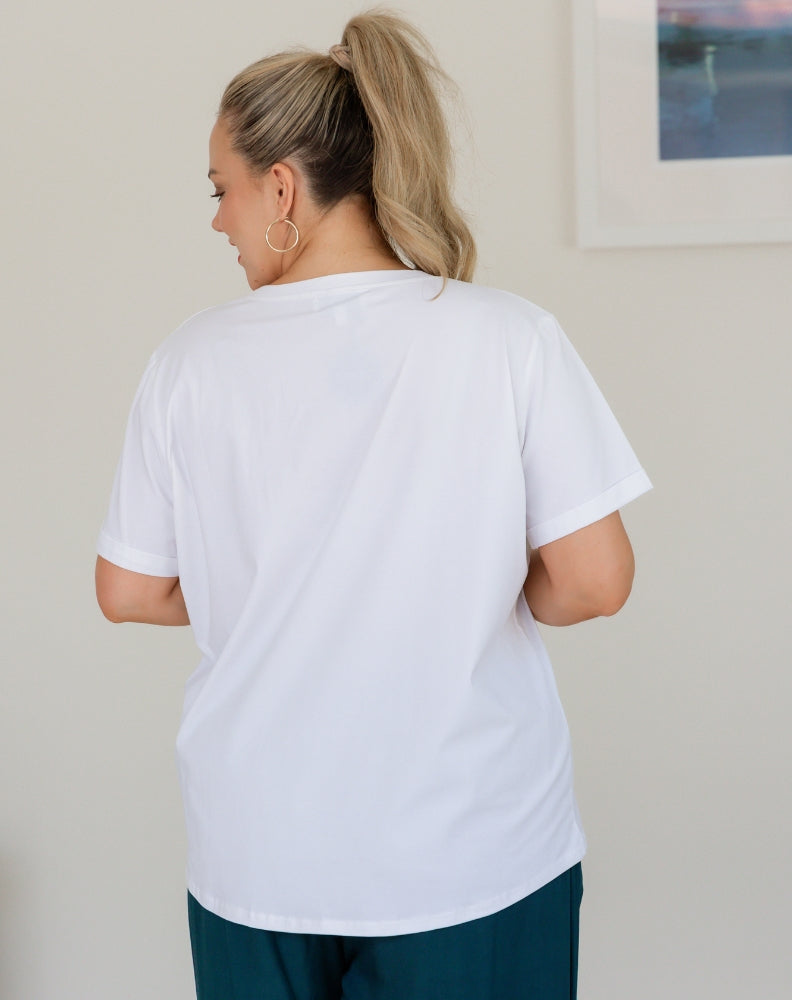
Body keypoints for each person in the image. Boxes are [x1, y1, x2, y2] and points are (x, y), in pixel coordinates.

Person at [95, 9, 651, 999]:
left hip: (259, 858)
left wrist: (270, 585)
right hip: (470, 852)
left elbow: (131, 588)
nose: (216, 218)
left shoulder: (190, 362)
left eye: (220, 189)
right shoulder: (505, 337)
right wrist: (468, 577)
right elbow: (595, 581)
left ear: (281, 187)